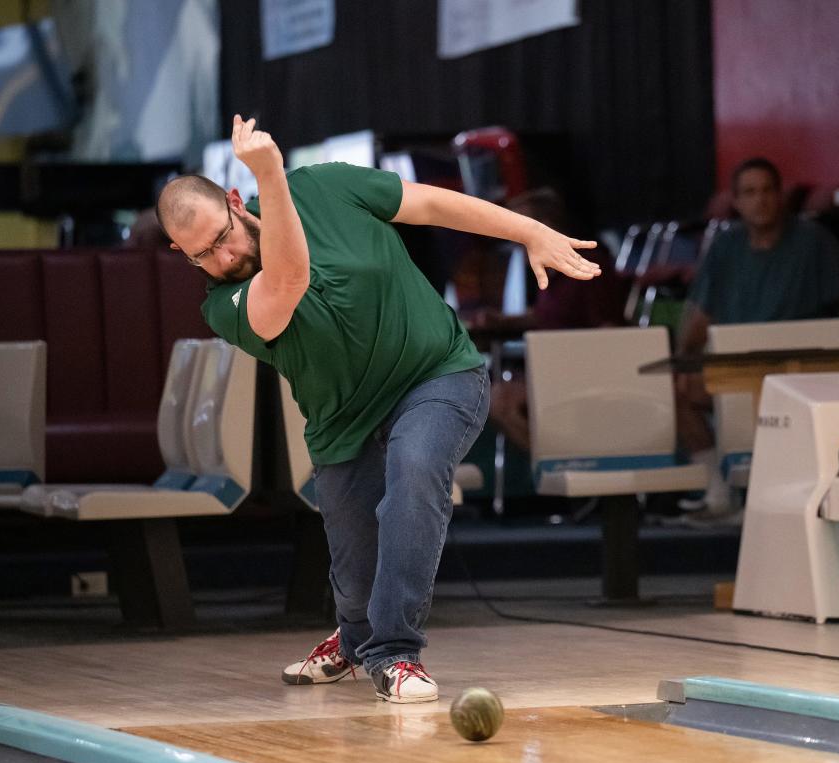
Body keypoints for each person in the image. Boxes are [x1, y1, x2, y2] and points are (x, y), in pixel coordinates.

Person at [156, 116, 600, 703]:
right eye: (201, 255)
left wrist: (529, 232)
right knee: (356, 578)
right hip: (344, 424)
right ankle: (355, 637)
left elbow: (434, 205)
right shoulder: (224, 304)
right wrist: (272, 173)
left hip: (437, 374)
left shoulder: (327, 186)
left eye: (223, 236)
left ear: (237, 203)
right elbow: (289, 280)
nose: (224, 256)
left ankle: (394, 654)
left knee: (415, 473)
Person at [675, 157, 839, 518]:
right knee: (679, 391)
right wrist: (684, 358)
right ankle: (719, 491)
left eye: (767, 190)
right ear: (736, 201)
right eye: (749, 192)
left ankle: (782, 496)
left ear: (780, 197)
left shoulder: (814, 242)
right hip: (734, 372)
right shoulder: (725, 247)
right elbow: (700, 315)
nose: (759, 200)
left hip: (802, 371)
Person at [466, 187, 627, 451]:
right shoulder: (551, 272)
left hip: (583, 374)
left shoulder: (587, 268)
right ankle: (556, 463)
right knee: (493, 397)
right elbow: (550, 316)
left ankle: (563, 462)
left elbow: (609, 329)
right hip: (551, 370)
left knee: (501, 399)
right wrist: (504, 321)